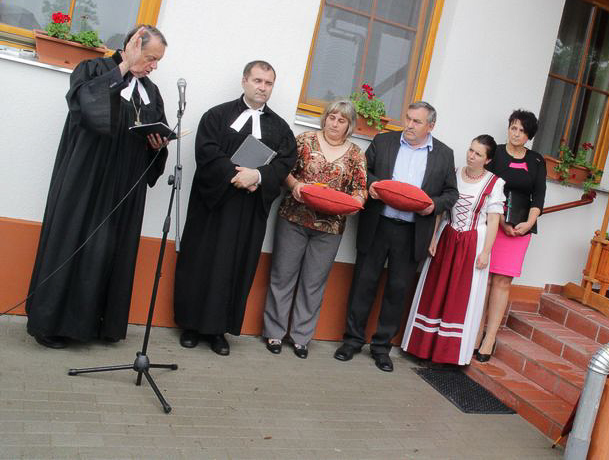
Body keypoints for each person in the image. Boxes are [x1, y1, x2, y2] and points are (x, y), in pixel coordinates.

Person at [26, 25, 170, 349]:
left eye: (158, 61)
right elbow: (87, 107)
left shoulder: (151, 91)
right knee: (73, 242)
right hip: (87, 178)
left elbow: (153, 131)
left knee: (111, 252)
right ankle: (52, 325)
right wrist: (123, 67)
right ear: (133, 45)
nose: (153, 66)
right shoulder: (93, 69)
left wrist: (157, 144)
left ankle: (100, 326)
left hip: (125, 185)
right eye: (150, 58)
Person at [173, 60, 297, 356]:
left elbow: (285, 162)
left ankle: (219, 331)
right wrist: (235, 175)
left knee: (235, 267)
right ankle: (190, 325)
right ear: (244, 81)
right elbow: (206, 152)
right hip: (212, 206)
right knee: (200, 261)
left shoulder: (280, 128)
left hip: (248, 212)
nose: (262, 87)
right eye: (257, 80)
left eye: (268, 83)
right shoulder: (217, 115)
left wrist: (258, 177)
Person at [333, 101, 458, 372]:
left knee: (397, 291)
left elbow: (451, 193)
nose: (409, 125)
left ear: (430, 126)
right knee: (363, 283)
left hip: (412, 231)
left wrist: (433, 206)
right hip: (378, 224)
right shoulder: (384, 141)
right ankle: (352, 341)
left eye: (417, 121)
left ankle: (381, 348)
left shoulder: (444, 154)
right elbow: (363, 172)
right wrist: (372, 185)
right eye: (408, 118)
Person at [263, 100, 367, 359]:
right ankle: (274, 332)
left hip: (330, 228)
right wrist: (295, 185)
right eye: (332, 117)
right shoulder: (304, 140)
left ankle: (301, 338)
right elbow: (284, 169)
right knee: (282, 276)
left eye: (341, 120)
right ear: (325, 118)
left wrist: (356, 203)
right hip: (293, 218)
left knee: (313, 284)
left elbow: (360, 189)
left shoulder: (356, 154)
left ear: (349, 126)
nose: (335, 123)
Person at [401, 135, 505, 365]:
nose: (471, 156)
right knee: (435, 289)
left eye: (478, 154)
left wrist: (486, 252)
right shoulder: (455, 174)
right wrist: (433, 237)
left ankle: (448, 354)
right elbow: (442, 209)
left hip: (472, 242)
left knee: (461, 296)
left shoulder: (494, 183)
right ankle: (423, 347)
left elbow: (493, 220)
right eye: (470, 150)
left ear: (487, 160)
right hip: (447, 237)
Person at [475, 109, 546, 362]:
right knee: (484, 280)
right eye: (513, 128)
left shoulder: (537, 161)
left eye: (522, 131)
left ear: (529, 136)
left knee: (503, 282)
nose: (516, 134)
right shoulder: (496, 154)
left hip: (520, 229)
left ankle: (490, 338)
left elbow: (539, 196)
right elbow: (485, 186)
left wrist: (529, 223)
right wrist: (502, 222)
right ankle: (475, 333)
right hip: (494, 224)